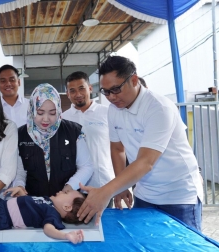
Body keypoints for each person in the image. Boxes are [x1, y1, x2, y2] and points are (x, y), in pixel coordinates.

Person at [77, 56, 203, 231]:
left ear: (134, 80)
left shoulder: (158, 108)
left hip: (178, 195)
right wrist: (121, 188)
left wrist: (106, 191)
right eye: (106, 92)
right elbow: (117, 148)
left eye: (116, 89)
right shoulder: (114, 110)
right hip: (145, 193)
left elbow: (146, 161)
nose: (111, 97)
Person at [7, 83, 94, 198]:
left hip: (65, 203)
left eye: (52, 113)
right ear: (32, 109)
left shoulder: (73, 132)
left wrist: (69, 187)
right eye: (40, 112)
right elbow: (20, 171)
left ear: (58, 110)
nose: (46, 119)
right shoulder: (20, 135)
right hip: (34, 203)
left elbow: (86, 166)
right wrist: (20, 186)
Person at [61, 71, 114, 207]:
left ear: (90, 88)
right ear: (67, 94)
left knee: (104, 225)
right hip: (75, 189)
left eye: (81, 88)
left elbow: (118, 148)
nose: (77, 94)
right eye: (72, 90)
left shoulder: (107, 113)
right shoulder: (63, 119)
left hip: (104, 185)